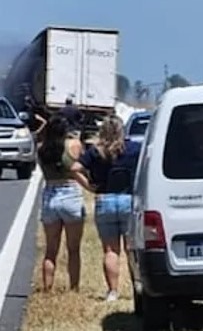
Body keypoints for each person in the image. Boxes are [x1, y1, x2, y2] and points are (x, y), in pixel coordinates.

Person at [71, 114, 142, 301]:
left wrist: (89, 186)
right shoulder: (134, 149)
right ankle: (137, 287)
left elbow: (75, 168)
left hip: (105, 200)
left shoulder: (96, 151)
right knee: (131, 249)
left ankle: (112, 292)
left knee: (111, 250)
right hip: (128, 200)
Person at [36, 113, 86, 291]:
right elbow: (82, 165)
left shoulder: (42, 149)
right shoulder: (73, 145)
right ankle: (73, 287)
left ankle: (47, 287)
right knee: (73, 248)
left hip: (50, 194)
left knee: (50, 250)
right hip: (70, 193)